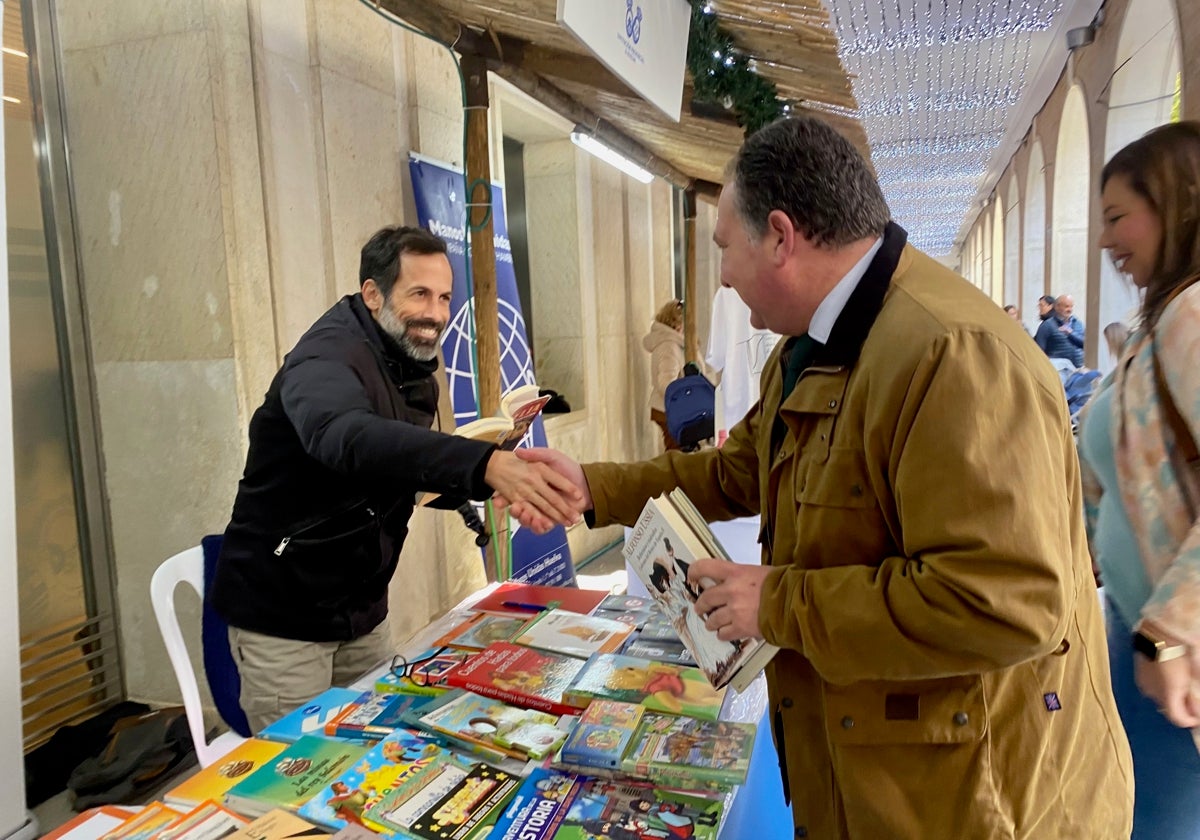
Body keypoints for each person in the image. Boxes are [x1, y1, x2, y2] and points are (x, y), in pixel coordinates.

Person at [499, 116, 1132, 838]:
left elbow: (1007, 603)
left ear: (779, 235)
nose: (726, 276)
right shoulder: (812, 345)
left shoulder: (954, 356)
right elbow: (741, 471)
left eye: (724, 249)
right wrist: (593, 486)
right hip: (868, 768)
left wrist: (780, 605)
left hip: (966, 798)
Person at [211, 225, 581, 732]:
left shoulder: (406, 358)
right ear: (372, 293)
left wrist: (486, 477)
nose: (436, 313)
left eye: (446, 297)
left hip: (362, 609)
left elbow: (393, 472)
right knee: (297, 772)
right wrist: (481, 465)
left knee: (373, 744)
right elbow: (345, 437)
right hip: (285, 614)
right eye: (420, 294)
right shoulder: (325, 356)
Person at [1080, 121, 1200, 840]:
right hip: (1141, 629)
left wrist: (1168, 636)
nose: (1104, 242)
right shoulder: (1161, 318)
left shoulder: (1191, 314)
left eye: (1118, 217)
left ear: (1177, 204)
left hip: (1170, 649)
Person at [643, 299, 685, 450]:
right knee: (676, 455)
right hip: (668, 409)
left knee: (676, 452)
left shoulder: (669, 343)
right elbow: (667, 383)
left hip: (665, 408)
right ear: (678, 324)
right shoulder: (670, 346)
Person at [1035, 293, 1086, 367]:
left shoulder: (1078, 323)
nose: (1069, 309)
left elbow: (1085, 344)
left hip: (1078, 368)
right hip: (1058, 369)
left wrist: (1070, 333)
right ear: (1057, 307)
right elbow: (1039, 350)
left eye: (1071, 306)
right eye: (1066, 306)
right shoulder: (1047, 325)